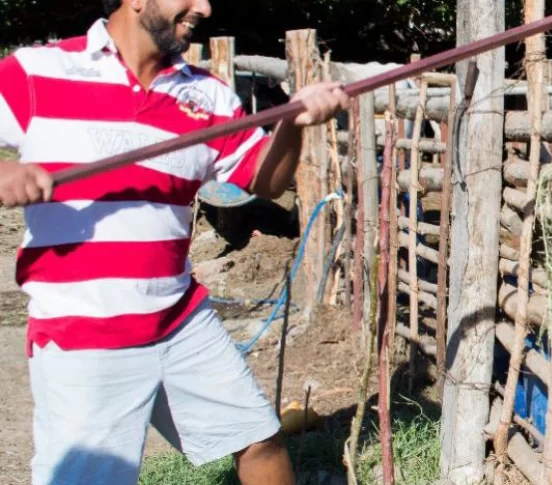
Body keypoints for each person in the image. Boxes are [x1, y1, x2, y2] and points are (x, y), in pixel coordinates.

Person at [0, 0, 350, 484]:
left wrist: (293, 123)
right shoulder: (38, 71)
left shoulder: (207, 96)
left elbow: (263, 182)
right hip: (84, 329)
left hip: (179, 318)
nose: (204, 7)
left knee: (258, 440)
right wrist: (4, 171)